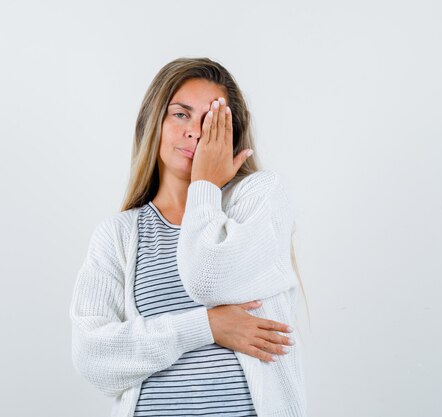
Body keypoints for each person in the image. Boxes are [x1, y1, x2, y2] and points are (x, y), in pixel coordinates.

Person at [70, 57, 307, 417]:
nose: (195, 132)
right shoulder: (118, 235)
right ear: (155, 122)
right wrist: (208, 326)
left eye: (212, 121)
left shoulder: (260, 198)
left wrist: (205, 187)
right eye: (181, 114)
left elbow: (208, 280)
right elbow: (92, 357)